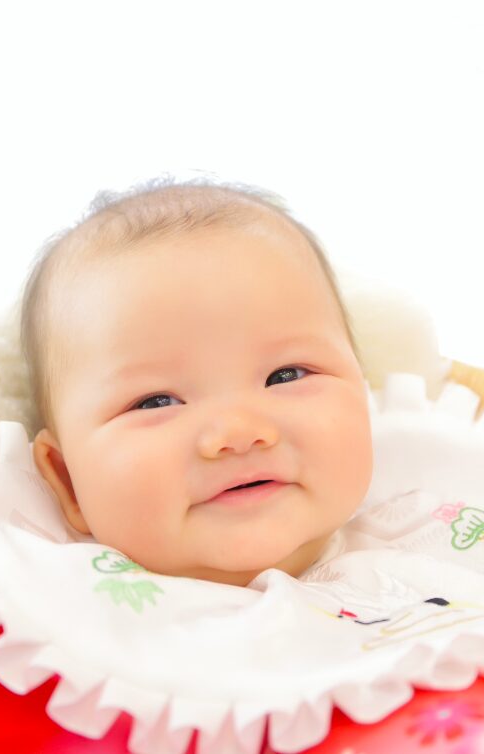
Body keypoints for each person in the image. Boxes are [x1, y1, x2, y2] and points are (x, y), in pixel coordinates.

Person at [22, 179, 374, 587]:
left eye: (285, 375)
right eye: (156, 402)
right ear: (67, 479)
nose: (239, 432)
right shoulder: (42, 600)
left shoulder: (425, 529)